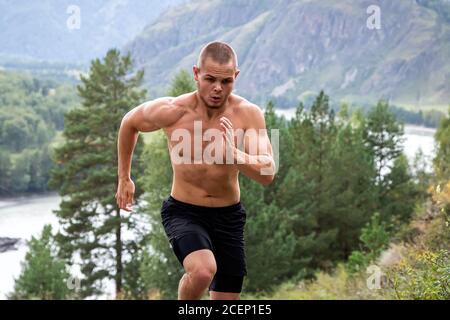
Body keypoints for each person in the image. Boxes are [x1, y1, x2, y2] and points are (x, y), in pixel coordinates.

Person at [116, 41, 276, 300]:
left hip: (229, 217)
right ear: (196, 74)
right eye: (210, 79)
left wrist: (234, 154)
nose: (217, 88)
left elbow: (267, 172)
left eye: (226, 81)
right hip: (184, 211)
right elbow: (129, 123)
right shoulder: (173, 111)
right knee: (202, 272)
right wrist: (124, 177)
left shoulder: (248, 114)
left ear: (235, 76)